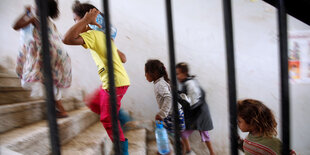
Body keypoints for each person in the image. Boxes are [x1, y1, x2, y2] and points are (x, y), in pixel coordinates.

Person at [62, 8, 130, 154]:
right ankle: (122, 117)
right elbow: (123, 58)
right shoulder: (102, 37)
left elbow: (67, 39)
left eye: (76, 20)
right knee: (93, 102)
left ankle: (123, 149)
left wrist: (85, 21)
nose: (75, 24)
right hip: (113, 81)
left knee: (107, 119)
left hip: (115, 83)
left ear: (89, 18)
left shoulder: (93, 34)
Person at [13, 0, 72, 118]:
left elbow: (16, 26)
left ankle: (60, 109)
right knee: (50, 81)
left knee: (46, 80)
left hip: (46, 53)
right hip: (59, 54)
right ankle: (59, 109)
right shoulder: (50, 22)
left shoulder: (35, 19)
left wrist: (26, 14)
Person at [144, 59, 186, 154]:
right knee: (167, 133)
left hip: (173, 114)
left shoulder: (159, 84)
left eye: (146, 72)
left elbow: (169, 98)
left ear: (153, 73)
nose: (145, 75)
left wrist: (162, 114)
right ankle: (171, 149)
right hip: (175, 112)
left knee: (166, 133)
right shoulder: (161, 82)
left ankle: (169, 150)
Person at [176, 62, 215, 155]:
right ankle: (189, 150)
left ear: (185, 73)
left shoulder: (190, 83)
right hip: (199, 112)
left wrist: (178, 98)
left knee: (187, 133)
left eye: (178, 73)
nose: (177, 76)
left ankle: (211, 153)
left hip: (199, 113)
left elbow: (191, 101)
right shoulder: (189, 82)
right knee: (199, 133)